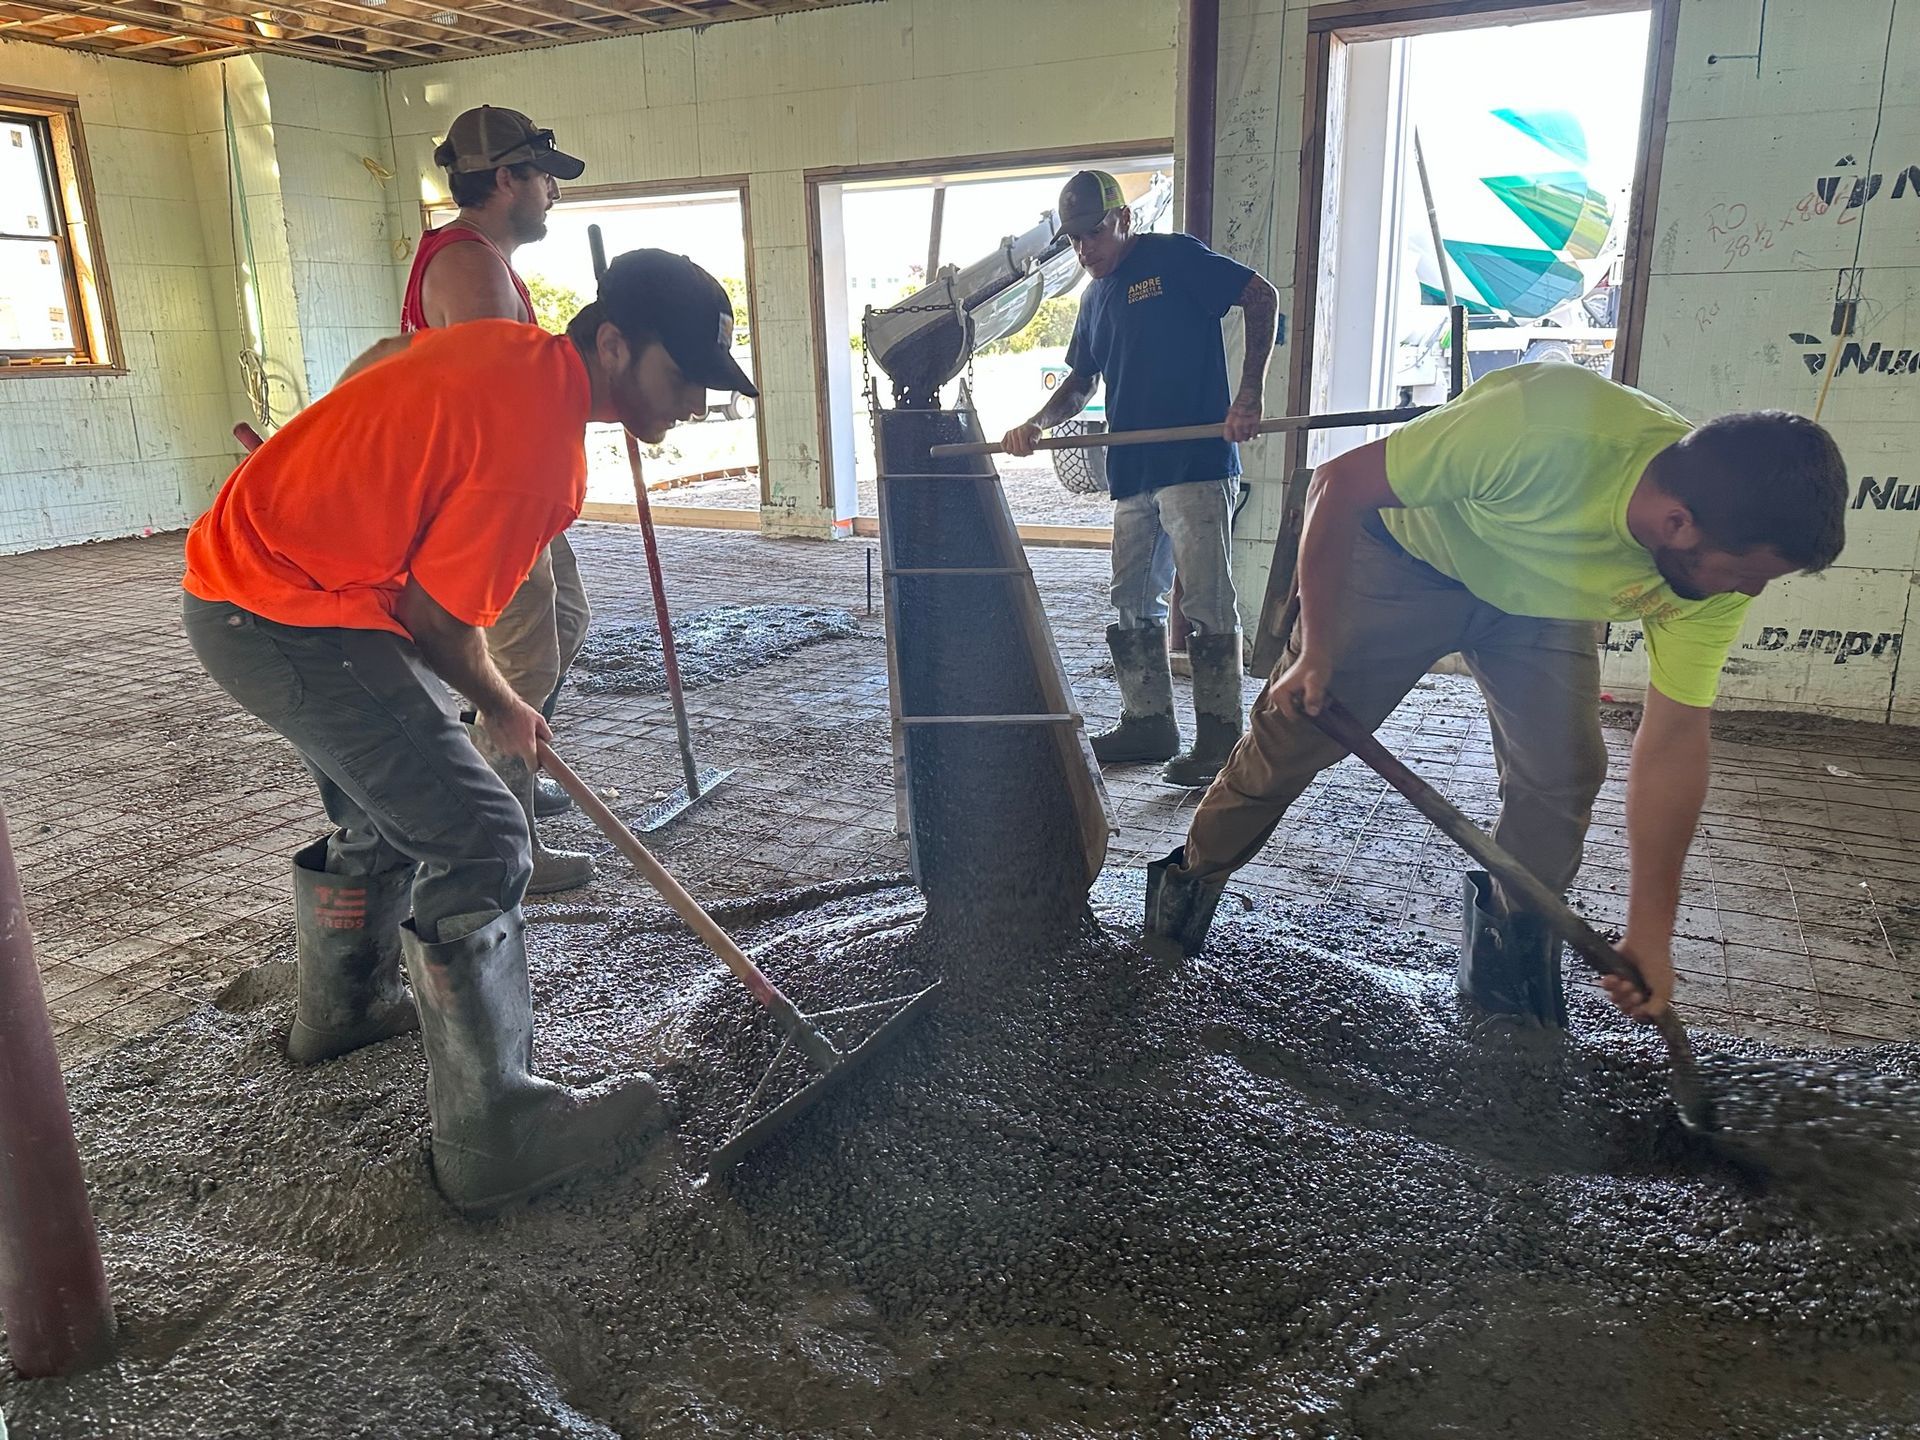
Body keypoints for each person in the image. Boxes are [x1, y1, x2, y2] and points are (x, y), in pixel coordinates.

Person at [182, 250, 757, 1212]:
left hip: (266, 585)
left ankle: (347, 1010)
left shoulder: (509, 355)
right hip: (287, 611)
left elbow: (379, 377)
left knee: (391, 804)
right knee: (483, 834)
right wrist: (503, 703)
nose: (694, 402)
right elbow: (441, 622)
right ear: (612, 345)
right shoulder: (540, 449)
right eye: (681, 375)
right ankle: (498, 1135)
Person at [1144, 362, 1848, 1029]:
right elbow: (1338, 485)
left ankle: (1508, 971)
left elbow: (1672, 742)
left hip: (1540, 602)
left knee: (1565, 773)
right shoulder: (1539, 426)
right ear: (1676, 524)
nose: (1750, 593)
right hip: (1407, 560)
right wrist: (1318, 650)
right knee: (1293, 737)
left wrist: (1651, 933)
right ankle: (1186, 892)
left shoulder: (1713, 566)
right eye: (1747, 574)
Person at [1002, 169, 1282, 788]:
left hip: (1195, 466)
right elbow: (1079, 384)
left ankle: (1219, 739)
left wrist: (1250, 395)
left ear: (1123, 220)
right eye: (1074, 241)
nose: (1084, 249)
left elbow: (1261, 296)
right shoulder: (1093, 299)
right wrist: (1036, 423)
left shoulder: (1174, 258)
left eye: (1093, 234)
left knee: (1206, 601)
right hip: (1133, 476)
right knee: (1131, 600)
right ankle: (1148, 722)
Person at [401, 104, 596, 893]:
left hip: (516, 490)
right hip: (487, 496)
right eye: (546, 175)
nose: (555, 190)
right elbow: (495, 404)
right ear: (506, 177)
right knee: (520, 660)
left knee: (566, 624)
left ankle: (501, 756)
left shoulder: (487, 259)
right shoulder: (469, 266)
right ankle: (504, 840)